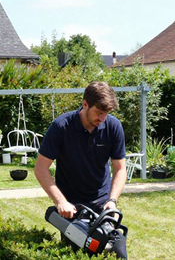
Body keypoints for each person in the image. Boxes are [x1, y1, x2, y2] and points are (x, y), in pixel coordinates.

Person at [35, 81, 128, 257]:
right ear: (85, 104)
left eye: (106, 113)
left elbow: (120, 168)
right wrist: (60, 201)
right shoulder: (61, 127)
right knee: (76, 254)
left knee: (115, 252)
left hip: (103, 206)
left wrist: (112, 201)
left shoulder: (113, 127)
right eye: (99, 113)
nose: (102, 119)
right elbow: (40, 168)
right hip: (72, 210)